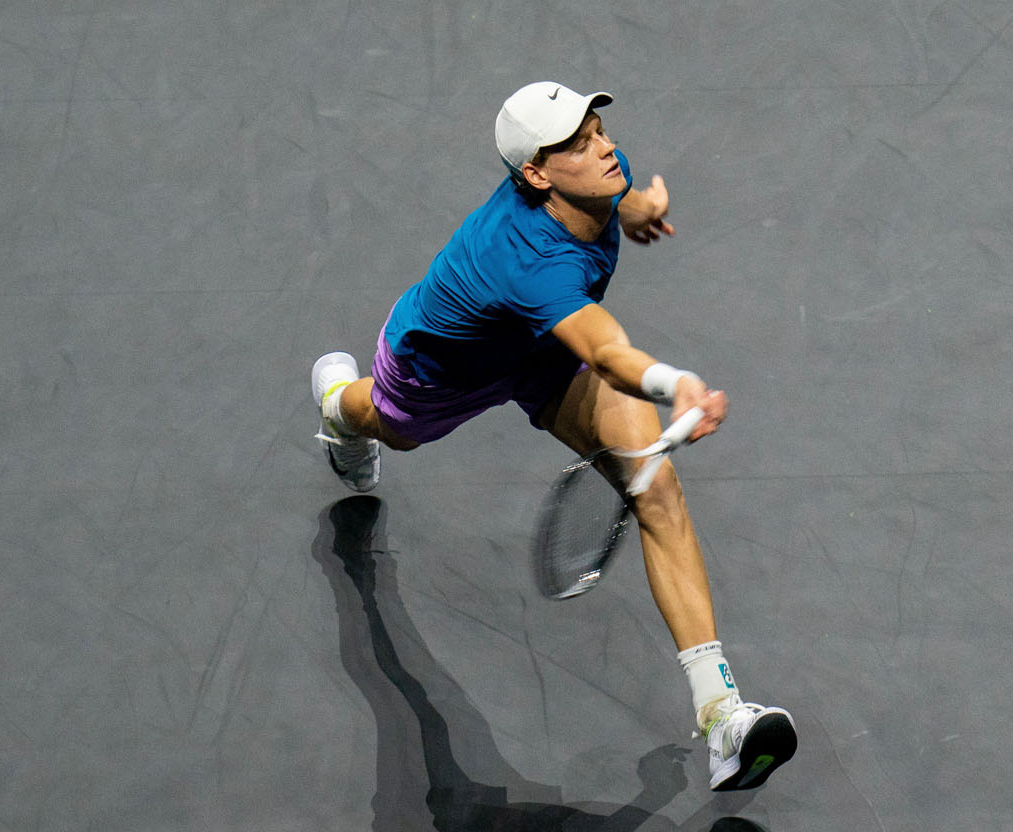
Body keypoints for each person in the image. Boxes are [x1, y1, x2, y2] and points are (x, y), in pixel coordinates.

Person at [308, 82, 796, 791]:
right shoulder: (528, 260)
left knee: (656, 489)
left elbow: (614, 204)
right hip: (445, 366)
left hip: (546, 353)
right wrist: (674, 383)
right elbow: (607, 351)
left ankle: (722, 714)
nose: (604, 148)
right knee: (387, 426)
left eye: (599, 130)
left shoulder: (598, 175)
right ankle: (335, 404)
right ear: (537, 174)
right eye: (579, 144)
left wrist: (640, 209)